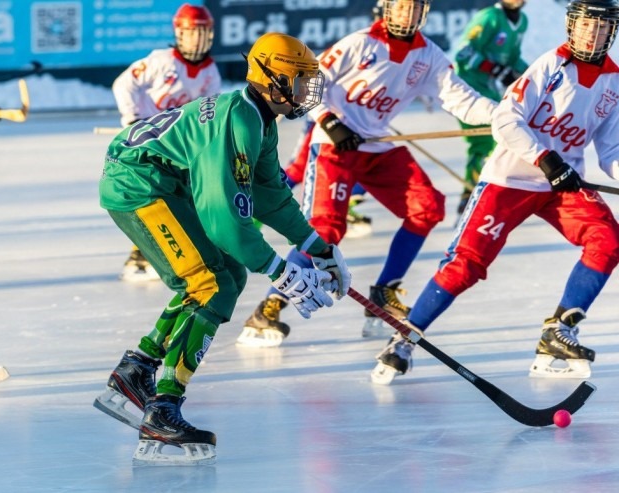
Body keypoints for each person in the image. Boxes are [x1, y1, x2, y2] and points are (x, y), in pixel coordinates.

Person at [93, 32, 351, 465]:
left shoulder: (256, 118)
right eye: (301, 81)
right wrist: (280, 270)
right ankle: (162, 410)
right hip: (139, 186)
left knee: (227, 275)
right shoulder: (239, 121)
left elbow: (269, 194)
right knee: (212, 283)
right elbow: (224, 219)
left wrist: (316, 246)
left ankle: (137, 371)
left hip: (161, 183)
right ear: (273, 80)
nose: (309, 91)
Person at [371, 0, 619, 385]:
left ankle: (560, 330)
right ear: (572, 26)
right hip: (510, 180)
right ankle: (404, 338)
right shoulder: (551, 66)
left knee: (607, 240)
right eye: (586, 24)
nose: (592, 33)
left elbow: (611, 150)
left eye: (601, 27)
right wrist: (546, 159)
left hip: (560, 185)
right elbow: (506, 118)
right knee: (465, 265)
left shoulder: (613, 82)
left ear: (612, 32)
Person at [237, 0, 497, 348]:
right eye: (401, 7)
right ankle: (270, 305)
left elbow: (461, 99)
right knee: (326, 228)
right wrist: (331, 122)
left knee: (427, 207)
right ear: (386, 9)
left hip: (375, 144)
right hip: (334, 144)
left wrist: (502, 116)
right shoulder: (359, 43)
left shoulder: (429, 55)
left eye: (415, 8)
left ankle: (383, 292)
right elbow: (309, 83)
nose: (408, 15)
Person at [112, 3, 221, 282]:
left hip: (177, 146)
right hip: (148, 141)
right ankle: (139, 253)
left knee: (184, 196)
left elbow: (208, 111)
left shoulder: (210, 72)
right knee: (153, 195)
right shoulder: (162, 60)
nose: (197, 40)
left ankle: (175, 251)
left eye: (202, 34)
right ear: (179, 34)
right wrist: (133, 119)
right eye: (191, 33)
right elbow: (124, 84)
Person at [453, 0, 528, 215]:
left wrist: (532, 77)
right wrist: (493, 69)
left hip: (489, 89)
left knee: (503, 137)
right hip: (468, 87)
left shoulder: (522, 22)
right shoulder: (488, 17)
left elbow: (513, 59)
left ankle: (475, 193)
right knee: (486, 140)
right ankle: (472, 195)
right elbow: (463, 52)